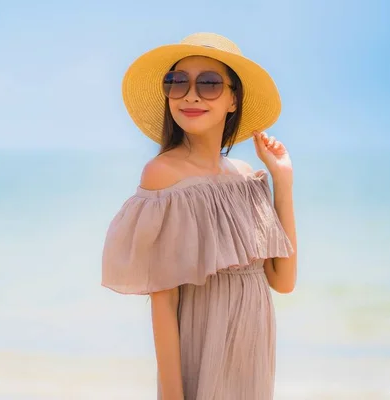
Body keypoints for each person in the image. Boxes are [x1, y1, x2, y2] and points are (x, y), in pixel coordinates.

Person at [101, 32, 298, 400]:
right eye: (177, 82)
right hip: (201, 349)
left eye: (208, 83)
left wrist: (281, 180)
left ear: (233, 99)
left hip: (252, 351)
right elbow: (164, 302)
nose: (191, 95)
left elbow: (282, 280)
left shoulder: (247, 179)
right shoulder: (163, 175)